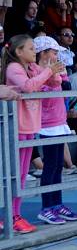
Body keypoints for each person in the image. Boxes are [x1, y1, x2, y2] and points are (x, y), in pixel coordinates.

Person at [1, 34, 65, 233]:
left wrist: (50, 67)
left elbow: (54, 83)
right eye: (30, 48)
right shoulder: (14, 68)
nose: (34, 52)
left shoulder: (32, 68)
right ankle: (11, 215)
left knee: (20, 175)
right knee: (14, 173)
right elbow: (29, 87)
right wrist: (47, 71)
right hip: (16, 126)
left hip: (29, 126)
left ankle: (15, 214)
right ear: (19, 51)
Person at [33, 35, 77, 225]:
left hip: (59, 119)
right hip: (46, 123)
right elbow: (41, 87)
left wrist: (57, 73)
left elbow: (64, 84)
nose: (56, 55)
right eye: (53, 52)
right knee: (50, 166)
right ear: (43, 53)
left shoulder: (57, 69)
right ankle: (47, 206)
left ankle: (57, 204)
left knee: (58, 166)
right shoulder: (35, 70)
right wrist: (50, 73)